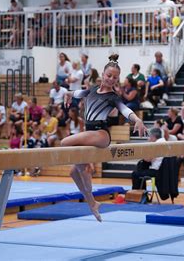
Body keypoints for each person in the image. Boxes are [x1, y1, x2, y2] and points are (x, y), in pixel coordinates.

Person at [62, 54, 147, 222]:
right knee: (73, 171)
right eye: (109, 75)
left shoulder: (113, 97)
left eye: (115, 78)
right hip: (89, 135)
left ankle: (86, 171)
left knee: (65, 142)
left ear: (117, 80)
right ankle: (92, 203)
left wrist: (137, 119)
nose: (111, 79)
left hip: (101, 135)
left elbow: (125, 110)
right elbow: (81, 92)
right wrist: (70, 94)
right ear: (102, 74)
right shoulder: (93, 89)